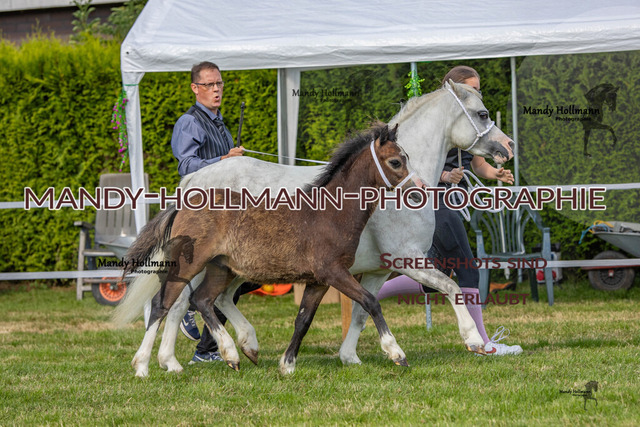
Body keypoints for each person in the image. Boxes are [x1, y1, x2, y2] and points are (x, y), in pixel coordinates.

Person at [376, 65, 522, 356]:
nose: (477, 93)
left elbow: (477, 164)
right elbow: (412, 165)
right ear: (454, 91)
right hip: (434, 201)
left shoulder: (469, 127)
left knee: (439, 273)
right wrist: (444, 176)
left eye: (478, 89)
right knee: (468, 268)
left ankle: (368, 294)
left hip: (453, 202)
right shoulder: (437, 126)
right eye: (471, 88)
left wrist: (495, 174)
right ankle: (483, 343)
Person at [171, 61, 260, 364]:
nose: (216, 90)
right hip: (201, 213)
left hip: (225, 213)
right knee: (228, 279)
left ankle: (200, 328)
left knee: (244, 276)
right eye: (209, 85)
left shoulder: (220, 122)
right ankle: (192, 313)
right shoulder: (189, 122)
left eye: (219, 83)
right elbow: (186, 165)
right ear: (195, 88)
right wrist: (224, 159)